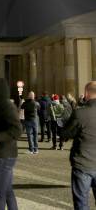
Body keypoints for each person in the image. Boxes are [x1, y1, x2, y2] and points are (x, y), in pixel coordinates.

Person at [0, 78, 22, 210]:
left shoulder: (6, 107)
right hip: (2, 153)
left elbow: (17, 129)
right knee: (7, 191)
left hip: (4, 154)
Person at [62, 81, 96, 209]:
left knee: (81, 203)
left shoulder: (80, 113)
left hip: (83, 163)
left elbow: (65, 134)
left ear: (87, 94)